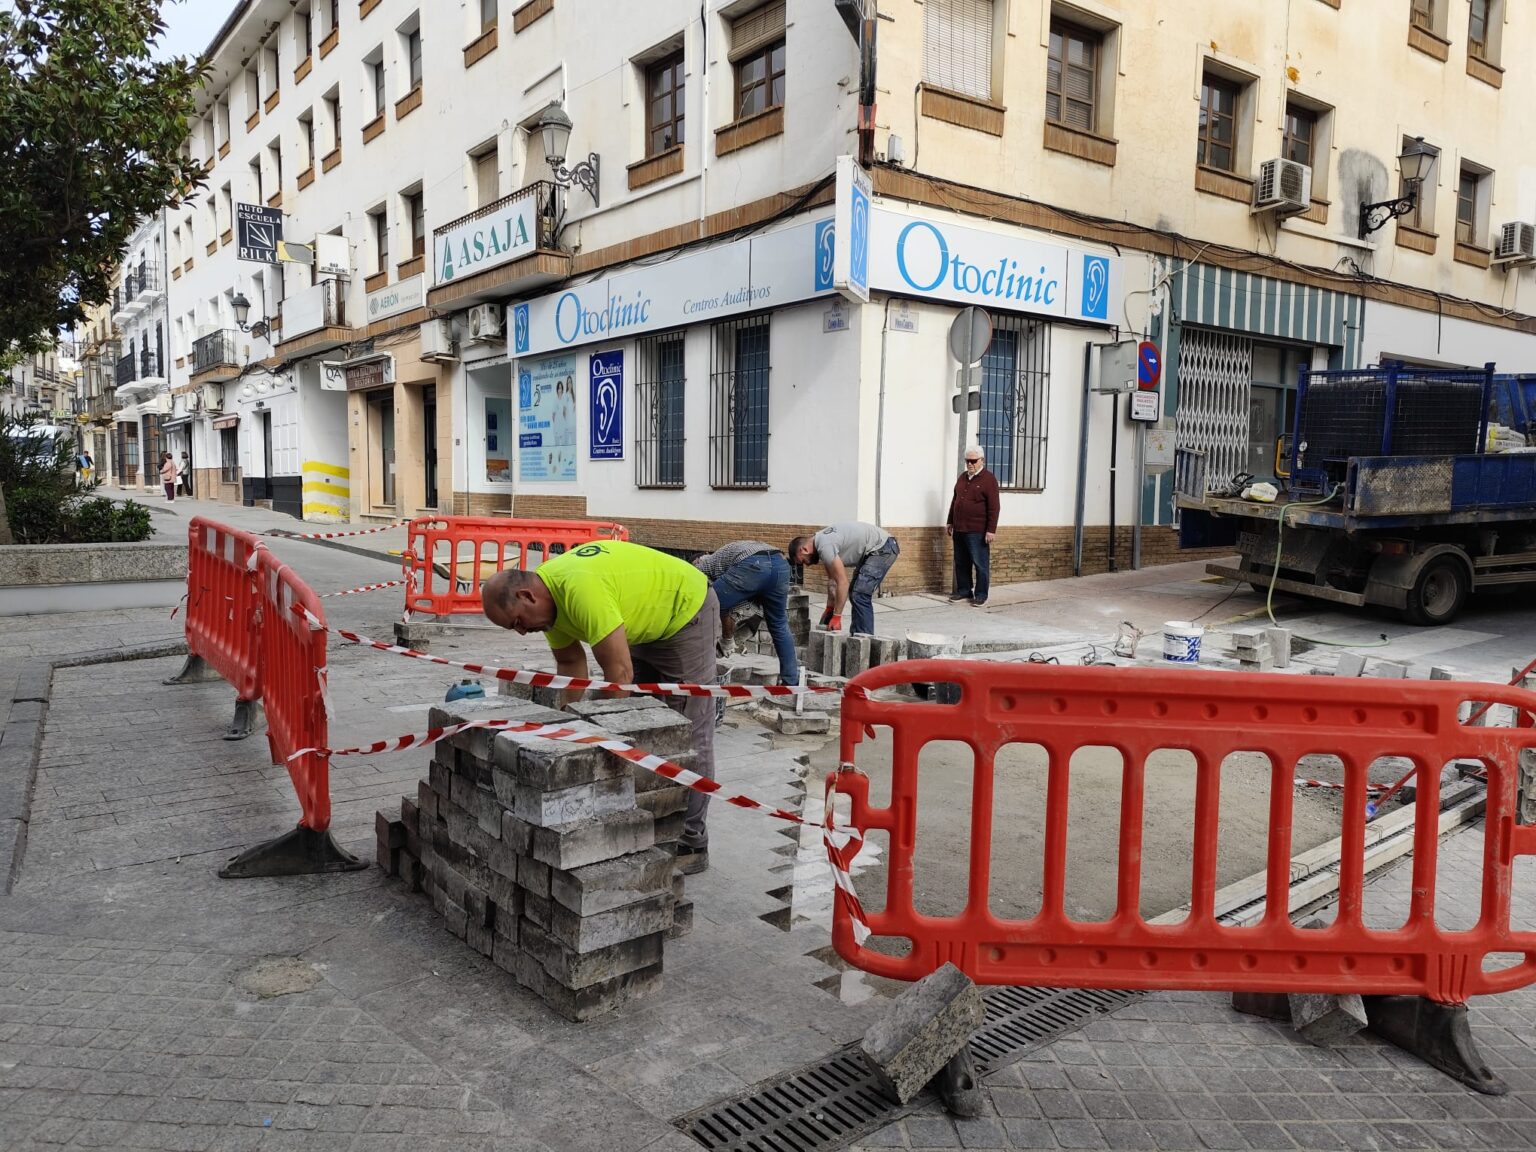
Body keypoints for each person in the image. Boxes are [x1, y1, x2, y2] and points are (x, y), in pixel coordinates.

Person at [481, 540, 720, 874]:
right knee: (644, 723)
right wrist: (570, 730)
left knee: (688, 730)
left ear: (527, 596)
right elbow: (571, 666)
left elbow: (618, 675)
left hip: (686, 610)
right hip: (646, 620)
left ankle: (691, 839)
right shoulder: (548, 605)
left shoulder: (579, 590)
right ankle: (654, 821)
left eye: (517, 621)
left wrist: (599, 739)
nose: (522, 632)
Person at [693, 540, 801, 687]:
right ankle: (791, 683)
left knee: (708, 603)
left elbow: (716, 604)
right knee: (779, 624)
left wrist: (727, 639)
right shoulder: (726, 562)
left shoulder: (700, 567)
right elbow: (737, 605)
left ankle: (695, 673)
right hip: (780, 563)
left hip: (755, 564)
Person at [788, 522, 899, 637]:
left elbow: (843, 583)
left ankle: (864, 640)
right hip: (874, 549)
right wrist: (829, 608)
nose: (806, 564)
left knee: (860, 593)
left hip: (882, 547)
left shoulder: (825, 546)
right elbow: (833, 581)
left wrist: (837, 616)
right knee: (855, 592)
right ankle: (857, 639)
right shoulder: (821, 544)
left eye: (803, 561)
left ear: (804, 549)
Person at [946, 446, 1000, 606]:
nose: (970, 464)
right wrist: (950, 521)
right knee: (961, 562)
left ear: (982, 460)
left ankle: (981, 594)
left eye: (973, 461)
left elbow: (994, 507)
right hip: (959, 529)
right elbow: (955, 501)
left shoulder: (989, 480)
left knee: (980, 564)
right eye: (967, 461)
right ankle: (964, 591)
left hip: (977, 531)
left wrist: (991, 530)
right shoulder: (962, 477)